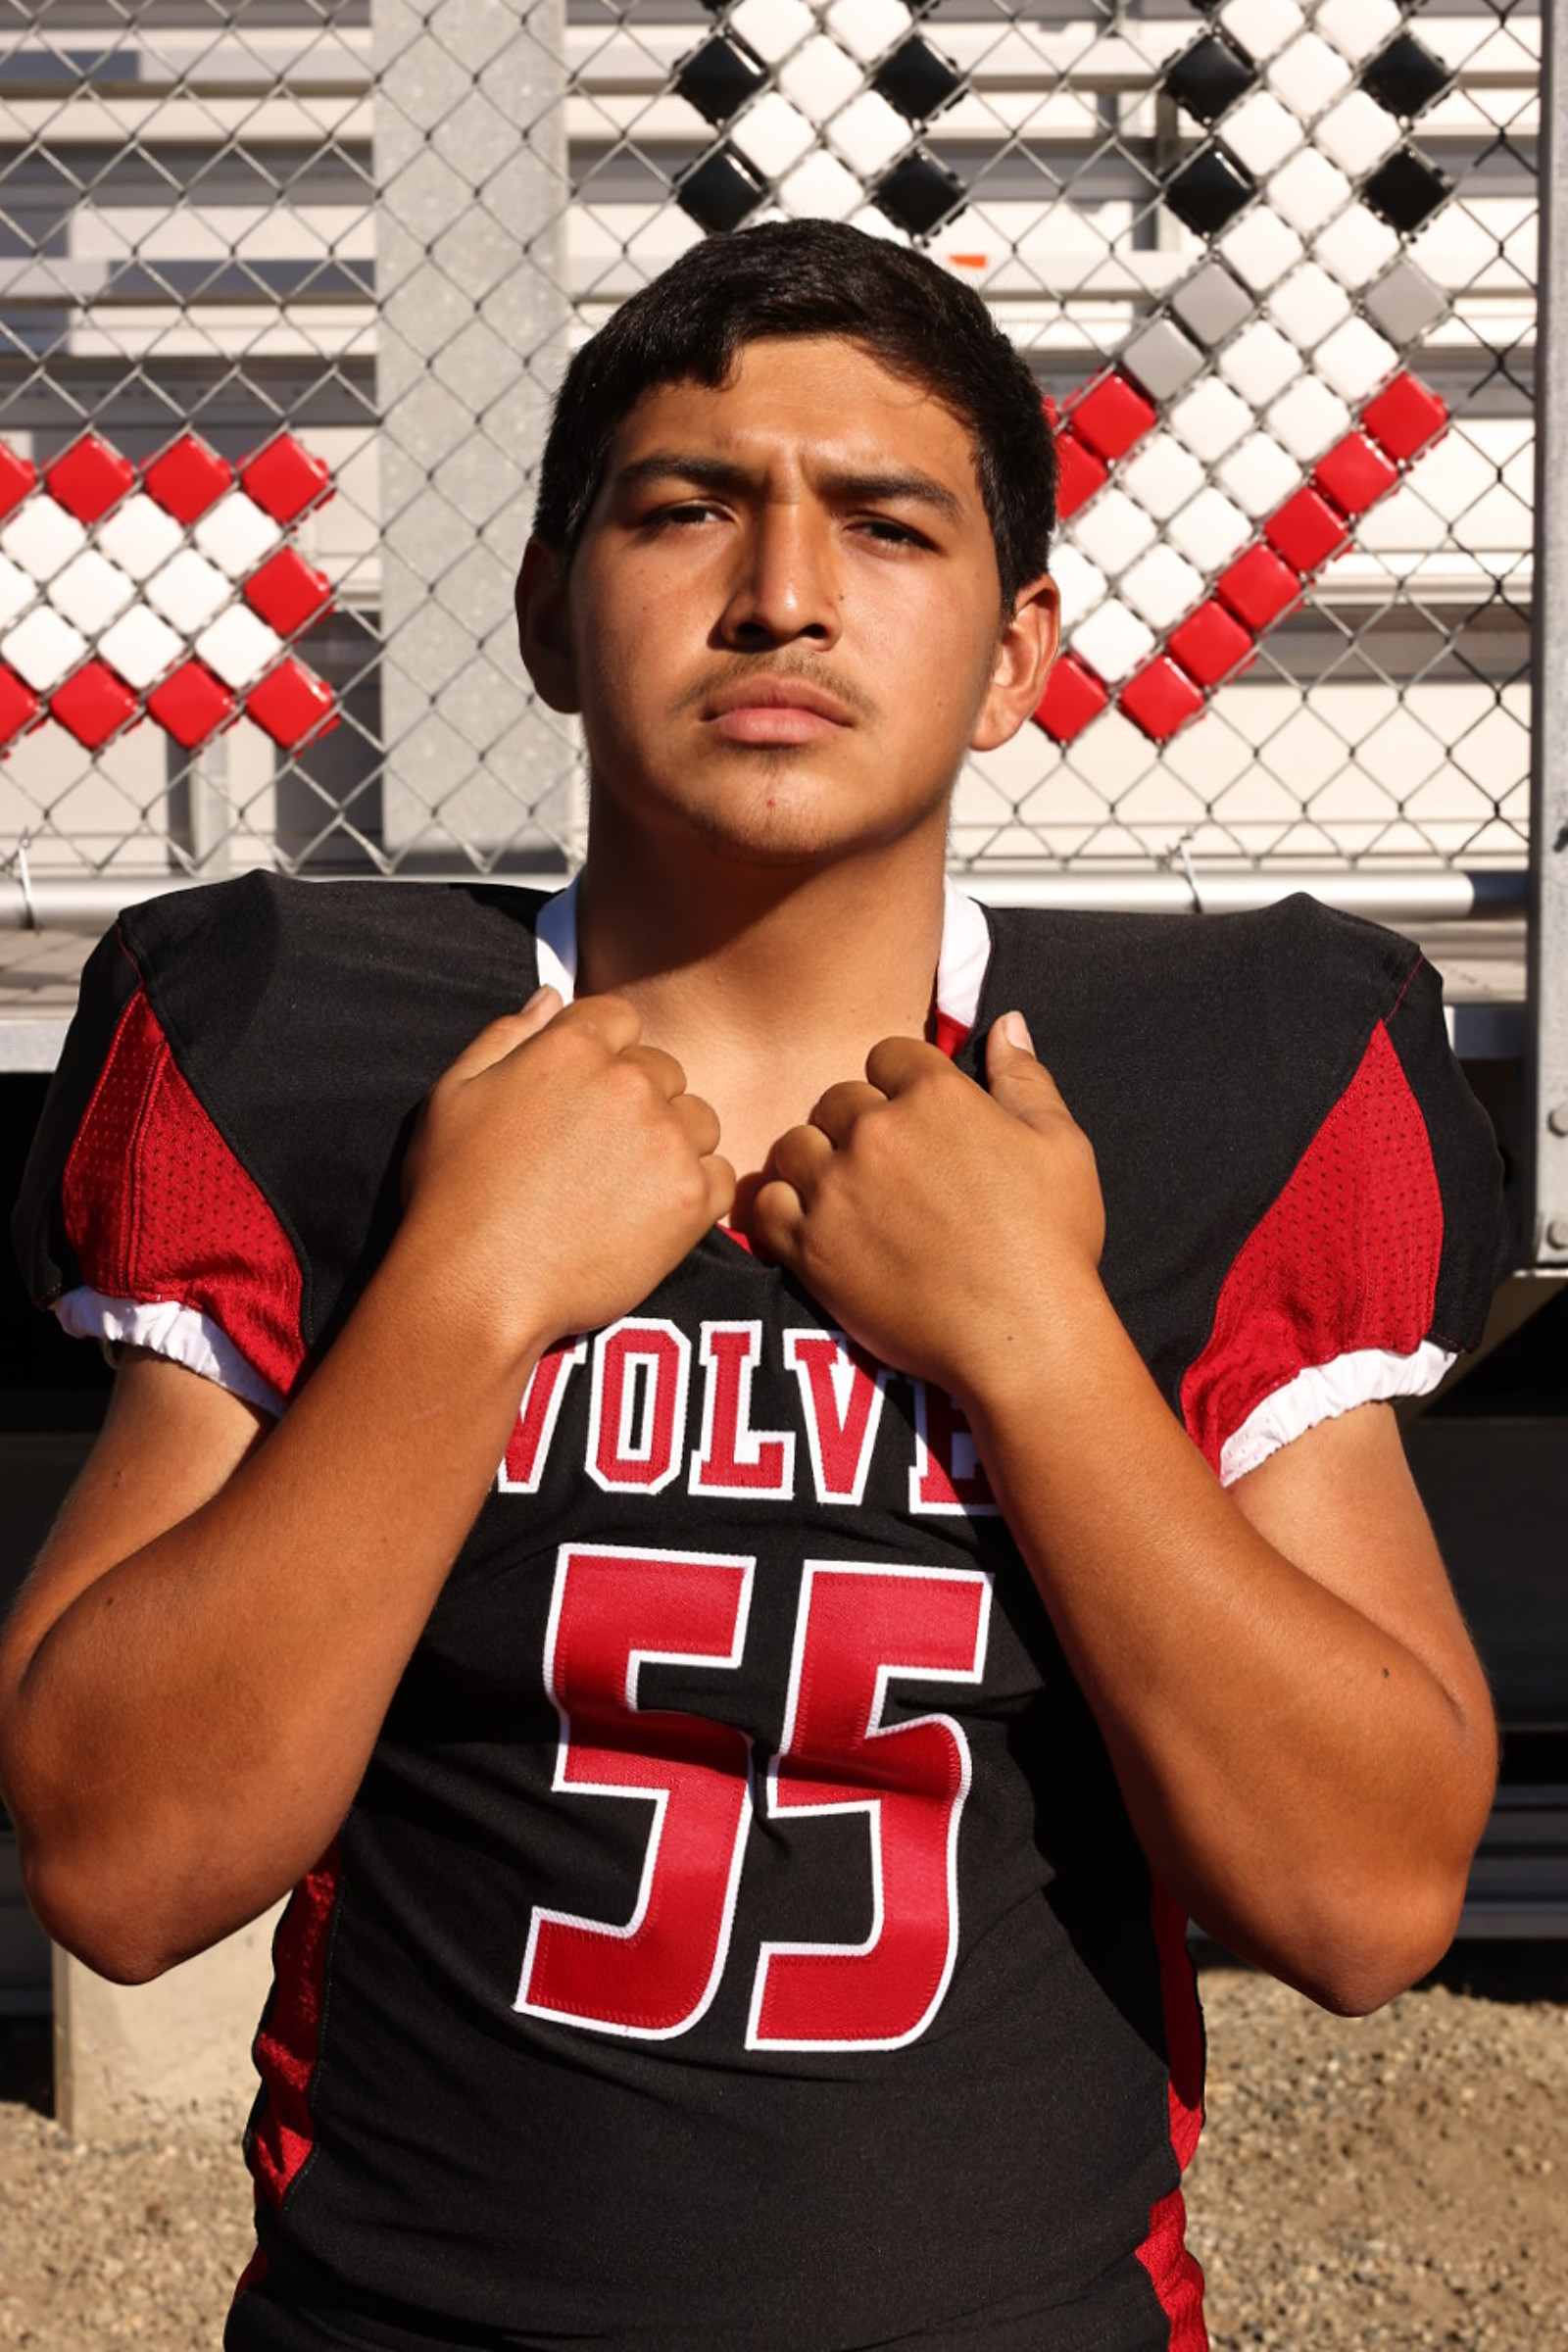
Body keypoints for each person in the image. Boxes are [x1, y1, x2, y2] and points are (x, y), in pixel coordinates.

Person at [2, 220, 1505, 2352]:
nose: (782, 591)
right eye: (686, 508)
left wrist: (1037, 1340)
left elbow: (1364, 1904)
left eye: (886, 524)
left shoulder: (1211, 1091)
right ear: (546, 611)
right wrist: (460, 1293)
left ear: (1015, 650)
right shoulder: (314, 1050)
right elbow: (120, 1866)